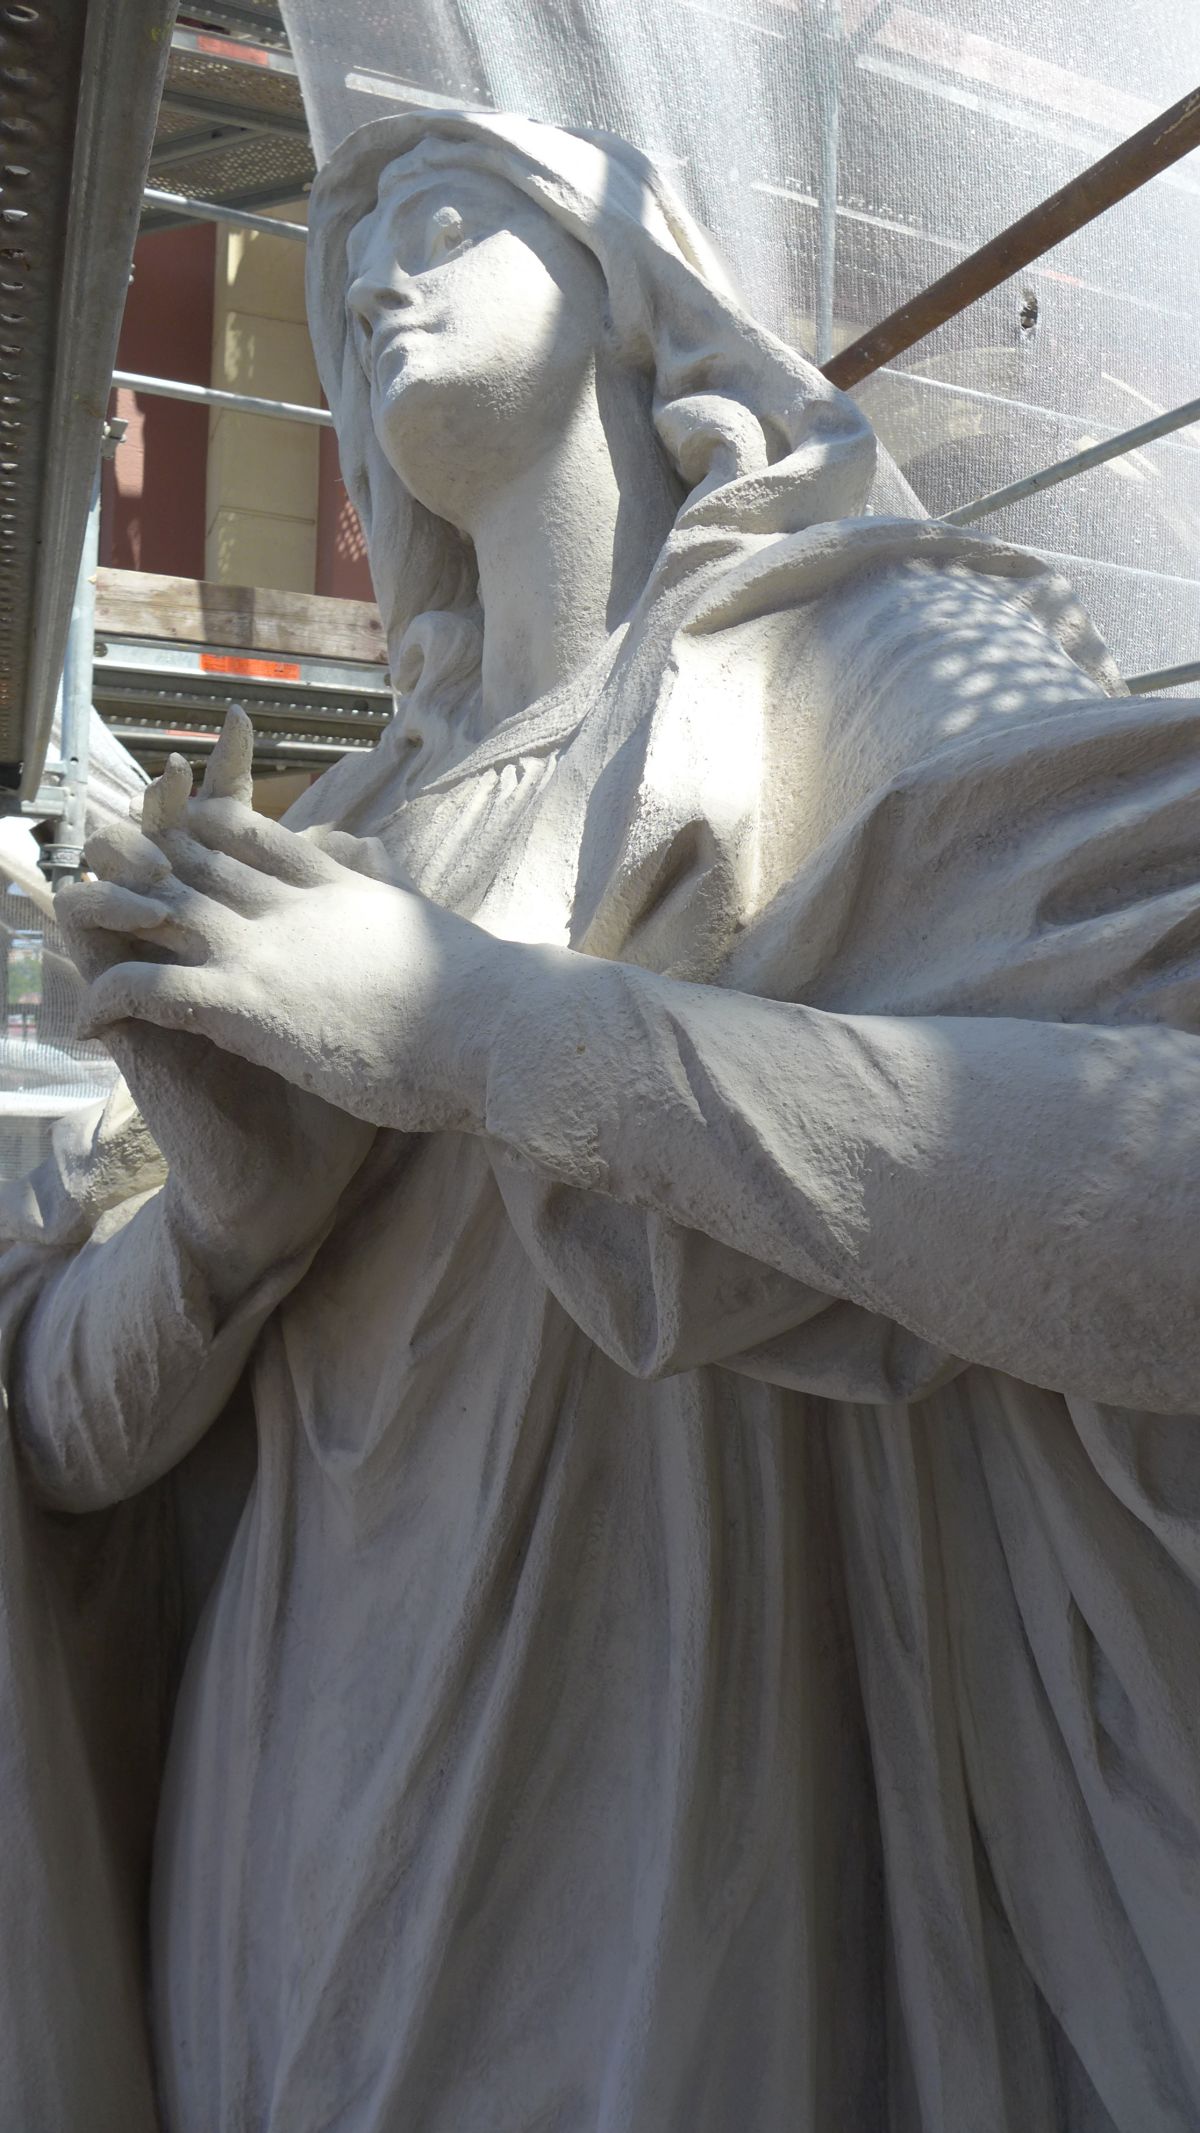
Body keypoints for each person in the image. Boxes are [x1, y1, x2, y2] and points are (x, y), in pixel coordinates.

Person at [5, 110, 1200, 2131]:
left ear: (637, 295)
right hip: (275, 1828)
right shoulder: (338, 835)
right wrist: (224, 1236)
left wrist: (485, 1029)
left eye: (443, 214)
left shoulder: (850, 656)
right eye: (343, 261)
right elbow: (50, 1427)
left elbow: (1157, 1183)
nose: (374, 277)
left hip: (646, 1825)